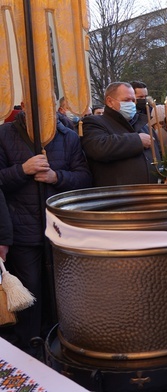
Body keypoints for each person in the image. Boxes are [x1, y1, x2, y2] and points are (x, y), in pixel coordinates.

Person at [0, 106, 91, 356]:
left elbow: (84, 178)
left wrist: (56, 177)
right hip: (22, 231)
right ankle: (31, 350)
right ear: (25, 105)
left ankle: (62, 347)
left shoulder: (68, 135)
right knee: (30, 293)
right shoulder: (4, 134)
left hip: (60, 231)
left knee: (61, 291)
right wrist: (23, 170)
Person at [81, 82, 160, 186]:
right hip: (118, 196)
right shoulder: (94, 123)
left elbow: (159, 154)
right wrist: (137, 140)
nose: (131, 104)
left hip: (150, 193)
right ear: (110, 101)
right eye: (126, 100)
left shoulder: (144, 126)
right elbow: (99, 148)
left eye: (133, 100)